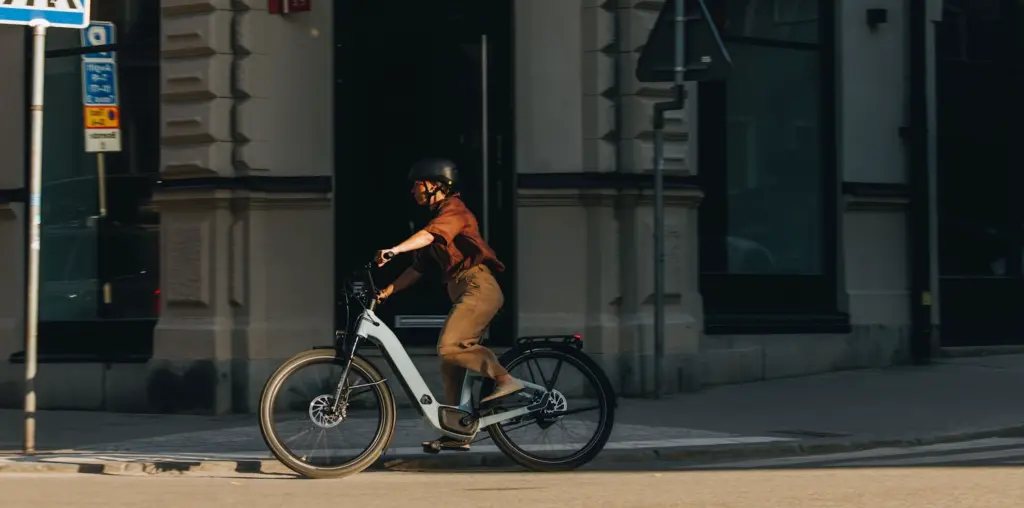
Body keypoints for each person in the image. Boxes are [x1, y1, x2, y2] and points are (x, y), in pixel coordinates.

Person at [374, 157, 523, 451]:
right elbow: (417, 269)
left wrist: (394, 249)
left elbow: (429, 236)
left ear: (436, 186)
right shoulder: (436, 218)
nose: (413, 191)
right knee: (451, 364)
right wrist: (388, 290)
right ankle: (459, 431)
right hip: (465, 290)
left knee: (450, 346)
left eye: (417, 185)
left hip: (478, 287)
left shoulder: (454, 211)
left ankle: (506, 381)